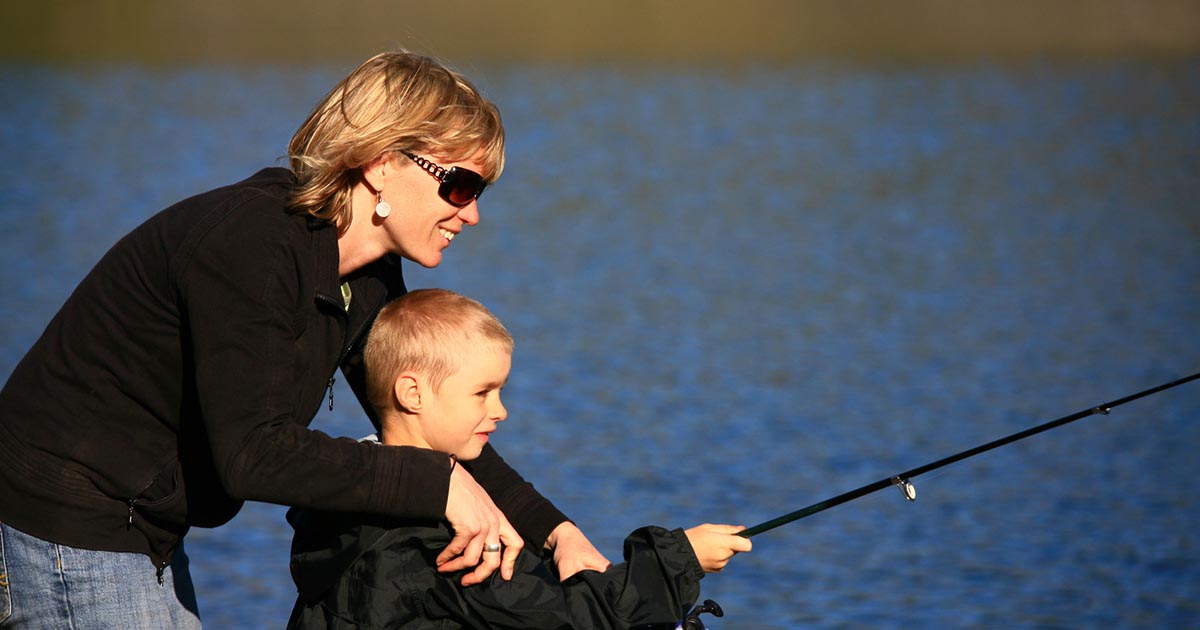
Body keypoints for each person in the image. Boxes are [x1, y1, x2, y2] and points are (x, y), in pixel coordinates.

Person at [0, 51, 608, 628]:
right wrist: (439, 484)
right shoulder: (252, 248)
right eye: (460, 186)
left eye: (479, 192)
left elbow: (433, 414)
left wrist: (555, 533)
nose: (471, 213)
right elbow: (255, 455)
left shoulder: (366, 274)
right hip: (71, 517)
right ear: (380, 163)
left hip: (145, 523)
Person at [286, 289, 753, 629]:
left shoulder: (347, 504)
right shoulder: (435, 538)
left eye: (501, 391)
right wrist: (679, 561)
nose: (500, 410)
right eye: (482, 393)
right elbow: (566, 619)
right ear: (412, 393)